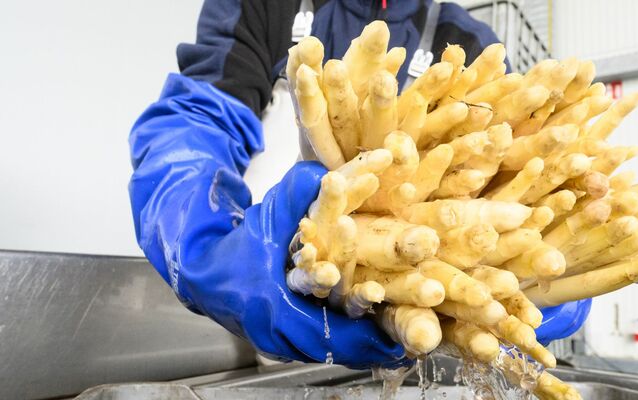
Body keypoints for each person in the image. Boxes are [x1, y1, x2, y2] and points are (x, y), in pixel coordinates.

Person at [128, 0, 591, 369]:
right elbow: (196, 122)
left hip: (409, 346)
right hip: (248, 342)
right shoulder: (265, 5)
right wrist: (206, 241)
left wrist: (544, 267)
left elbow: (508, 178)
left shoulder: (468, 43)